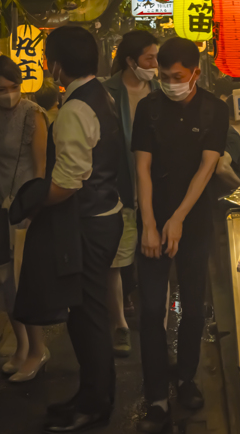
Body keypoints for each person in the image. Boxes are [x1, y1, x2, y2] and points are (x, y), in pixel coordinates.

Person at [131, 38, 229, 433]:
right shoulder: (148, 109)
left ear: (195, 73)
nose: (169, 83)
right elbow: (142, 169)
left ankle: (186, 378)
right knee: (152, 310)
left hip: (194, 219)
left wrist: (179, 219)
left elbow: (206, 170)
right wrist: (152, 224)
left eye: (177, 77)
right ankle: (155, 393)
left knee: (192, 305)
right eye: (163, 76)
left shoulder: (214, 110)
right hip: (155, 219)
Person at [40, 25, 129, 433]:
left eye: (47, 59)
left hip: (89, 223)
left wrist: (31, 202)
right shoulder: (101, 94)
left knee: (87, 316)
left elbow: (69, 180)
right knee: (86, 313)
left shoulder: (75, 109)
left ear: (56, 65)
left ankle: (95, 404)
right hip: (105, 215)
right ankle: (91, 393)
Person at [0, 56, 50, 382]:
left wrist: (33, 210)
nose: (9, 94)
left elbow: (40, 169)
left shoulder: (33, 115)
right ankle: (21, 346)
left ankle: (38, 349)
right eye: (0, 89)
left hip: (24, 206)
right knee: (6, 280)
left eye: (14, 87)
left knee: (25, 280)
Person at [102, 30, 158, 358]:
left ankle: (154, 320)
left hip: (153, 188)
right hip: (119, 187)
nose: (154, 64)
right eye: (149, 58)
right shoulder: (107, 92)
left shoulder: (161, 90)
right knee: (117, 259)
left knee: (150, 255)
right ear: (130, 60)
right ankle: (119, 324)